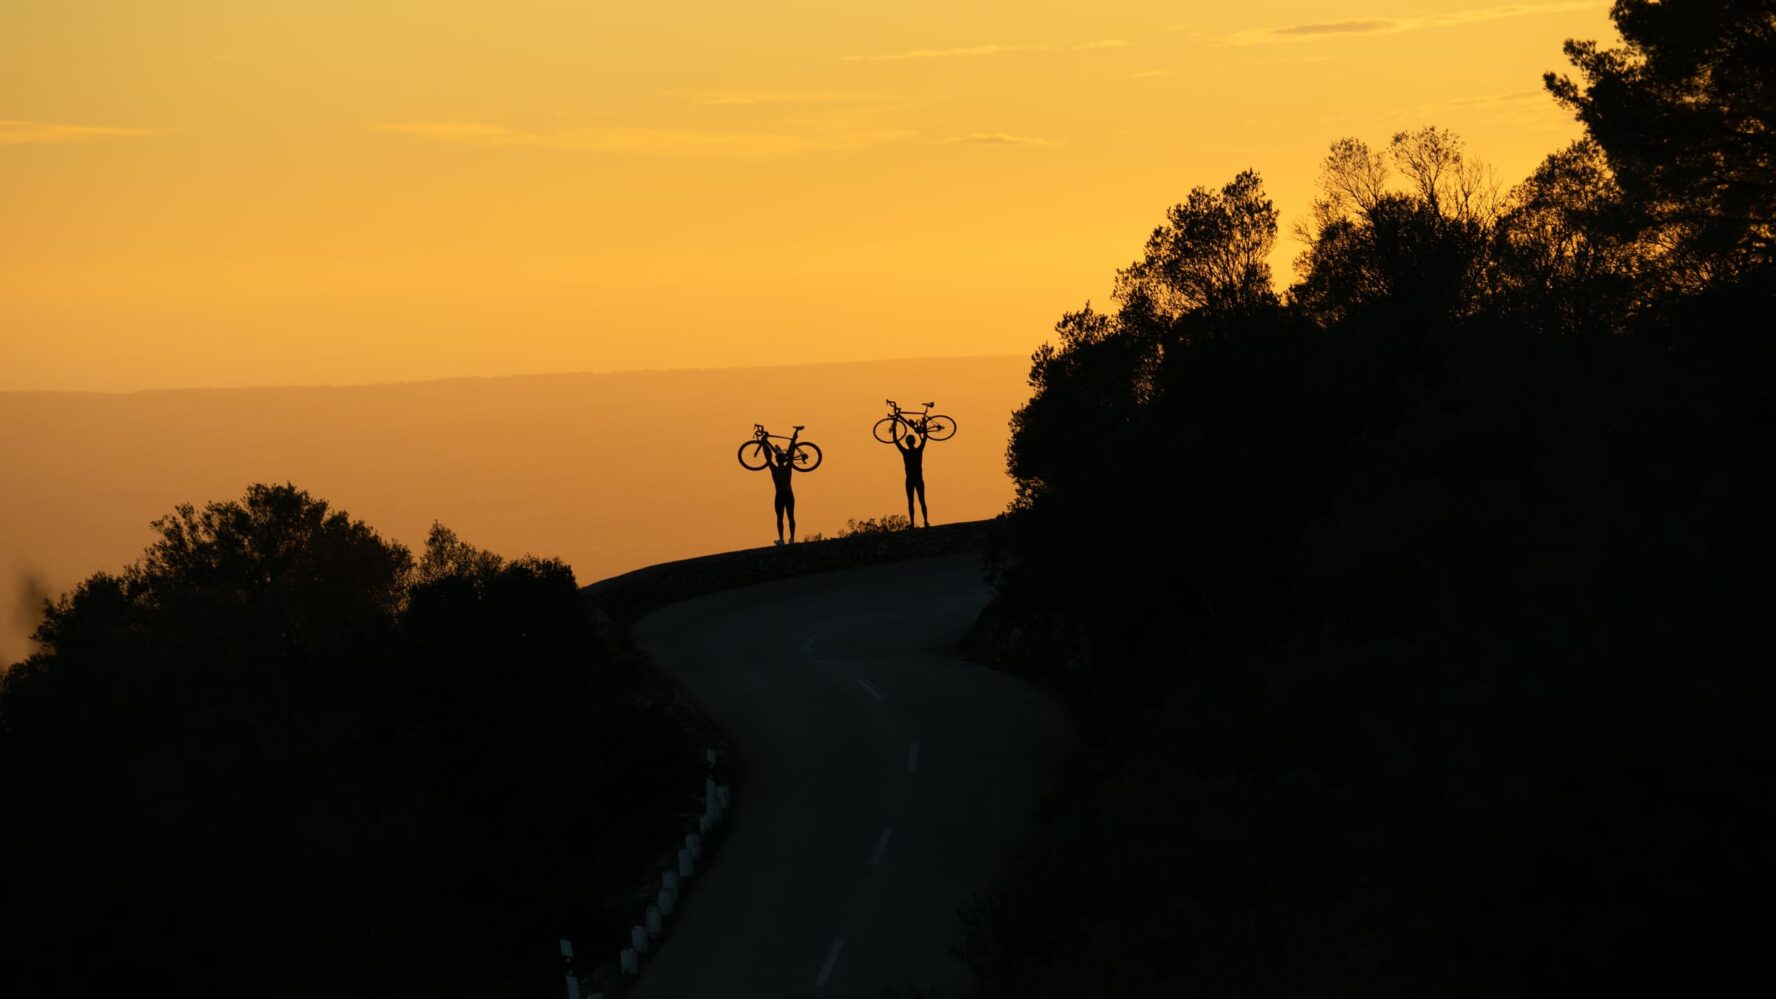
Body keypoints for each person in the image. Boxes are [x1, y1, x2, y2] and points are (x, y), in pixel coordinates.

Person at [765, 445, 799, 544]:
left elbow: (767, 457)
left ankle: (782, 539)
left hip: (780, 495)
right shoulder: (788, 467)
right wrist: (793, 440)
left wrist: (764, 443)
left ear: (776, 460)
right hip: (788, 494)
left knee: (781, 518)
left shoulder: (774, 469)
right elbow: (791, 453)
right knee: (790, 517)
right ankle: (791, 539)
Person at [896, 426, 929, 528]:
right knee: (921, 501)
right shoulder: (918, 451)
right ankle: (925, 522)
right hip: (918, 479)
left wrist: (895, 427)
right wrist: (924, 426)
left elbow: (895, 441)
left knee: (911, 502)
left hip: (910, 480)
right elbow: (925, 438)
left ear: (907, 443)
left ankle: (913, 523)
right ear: (914, 442)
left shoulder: (905, 452)